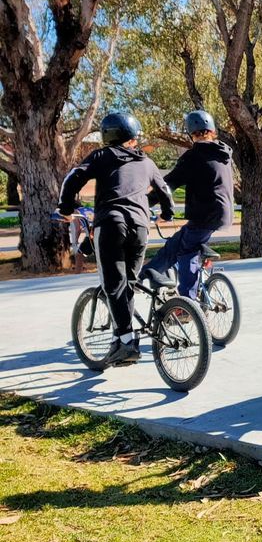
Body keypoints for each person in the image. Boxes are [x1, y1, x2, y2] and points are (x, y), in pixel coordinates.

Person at [57, 112, 175, 365]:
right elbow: (165, 190)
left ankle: (124, 341)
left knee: (113, 283)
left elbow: (73, 178)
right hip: (140, 226)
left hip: (111, 224)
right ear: (133, 137)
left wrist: (65, 209)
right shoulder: (146, 161)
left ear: (107, 135)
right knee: (128, 283)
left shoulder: (102, 156)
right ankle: (125, 340)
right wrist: (167, 213)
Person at [141, 110, 234, 299]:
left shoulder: (194, 156)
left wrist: (144, 203)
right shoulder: (223, 152)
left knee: (186, 251)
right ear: (213, 131)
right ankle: (144, 276)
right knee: (174, 244)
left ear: (191, 133)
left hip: (204, 215)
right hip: (223, 213)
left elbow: (168, 184)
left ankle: (187, 303)